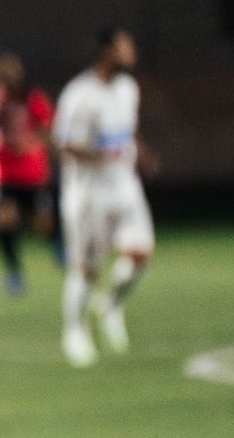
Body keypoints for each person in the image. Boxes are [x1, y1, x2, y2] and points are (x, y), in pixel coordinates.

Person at [51, 27, 156, 368]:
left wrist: (140, 150)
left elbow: (127, 128)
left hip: (124, 186)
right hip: (88, 193)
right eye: (125, 46)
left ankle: (109, 305)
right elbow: (63, 143)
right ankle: (74, 331)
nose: (131, 51)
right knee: (86, 269)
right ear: (107, 52)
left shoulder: (128, 88)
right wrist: (101, 154)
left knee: (140, 255)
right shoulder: (80, 94)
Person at [0, 51, 59, 296]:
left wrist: (30, 141)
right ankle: (14, 272)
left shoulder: (32, 98)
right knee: (3, 220)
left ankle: (57, 246)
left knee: (42, 220)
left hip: (32, 170)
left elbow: (48, 129)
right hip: (0, 172)